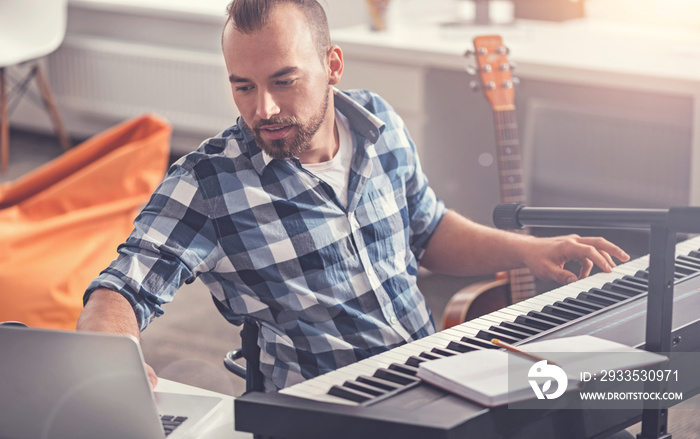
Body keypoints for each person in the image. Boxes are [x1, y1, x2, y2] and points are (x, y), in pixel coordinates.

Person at [77, 0, 629, 393]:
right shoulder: (209, 183)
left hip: (433, 372)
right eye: (243, 85)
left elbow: (429, 232)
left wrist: (527, 251)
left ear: (332, 65)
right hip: (332, 414)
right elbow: (119, 290)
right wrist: (112, 358)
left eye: (283, 80)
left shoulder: (379, 123)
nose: (263, 108)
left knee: (589, 393)